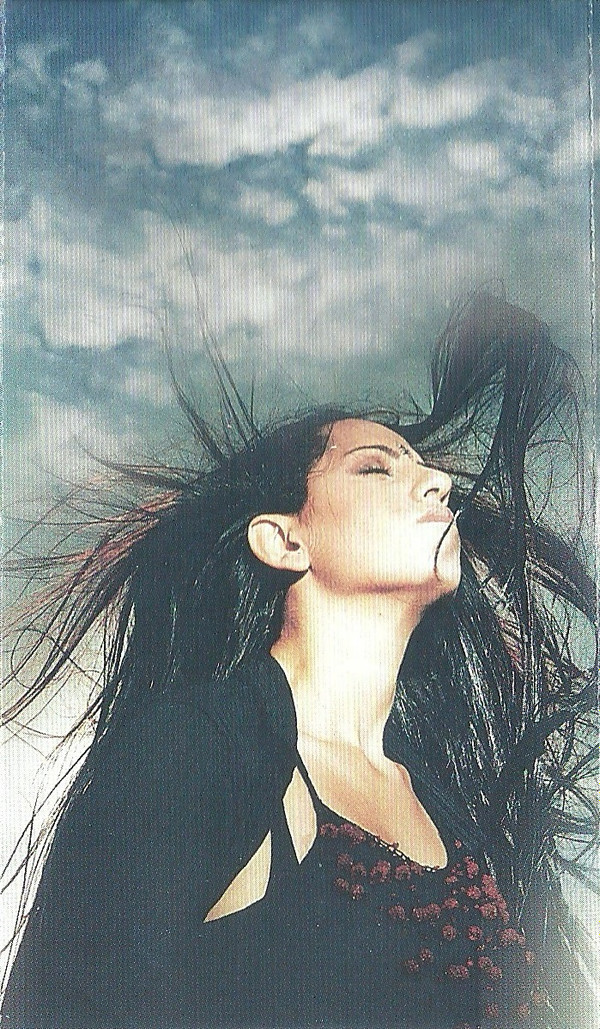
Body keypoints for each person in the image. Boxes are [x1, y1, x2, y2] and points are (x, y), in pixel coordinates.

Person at [1, 295, 597, 1029]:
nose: (439, 482)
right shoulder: (198, 745)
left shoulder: (465, 816)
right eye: (375, 468)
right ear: (283, 540)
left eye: (428, 470)